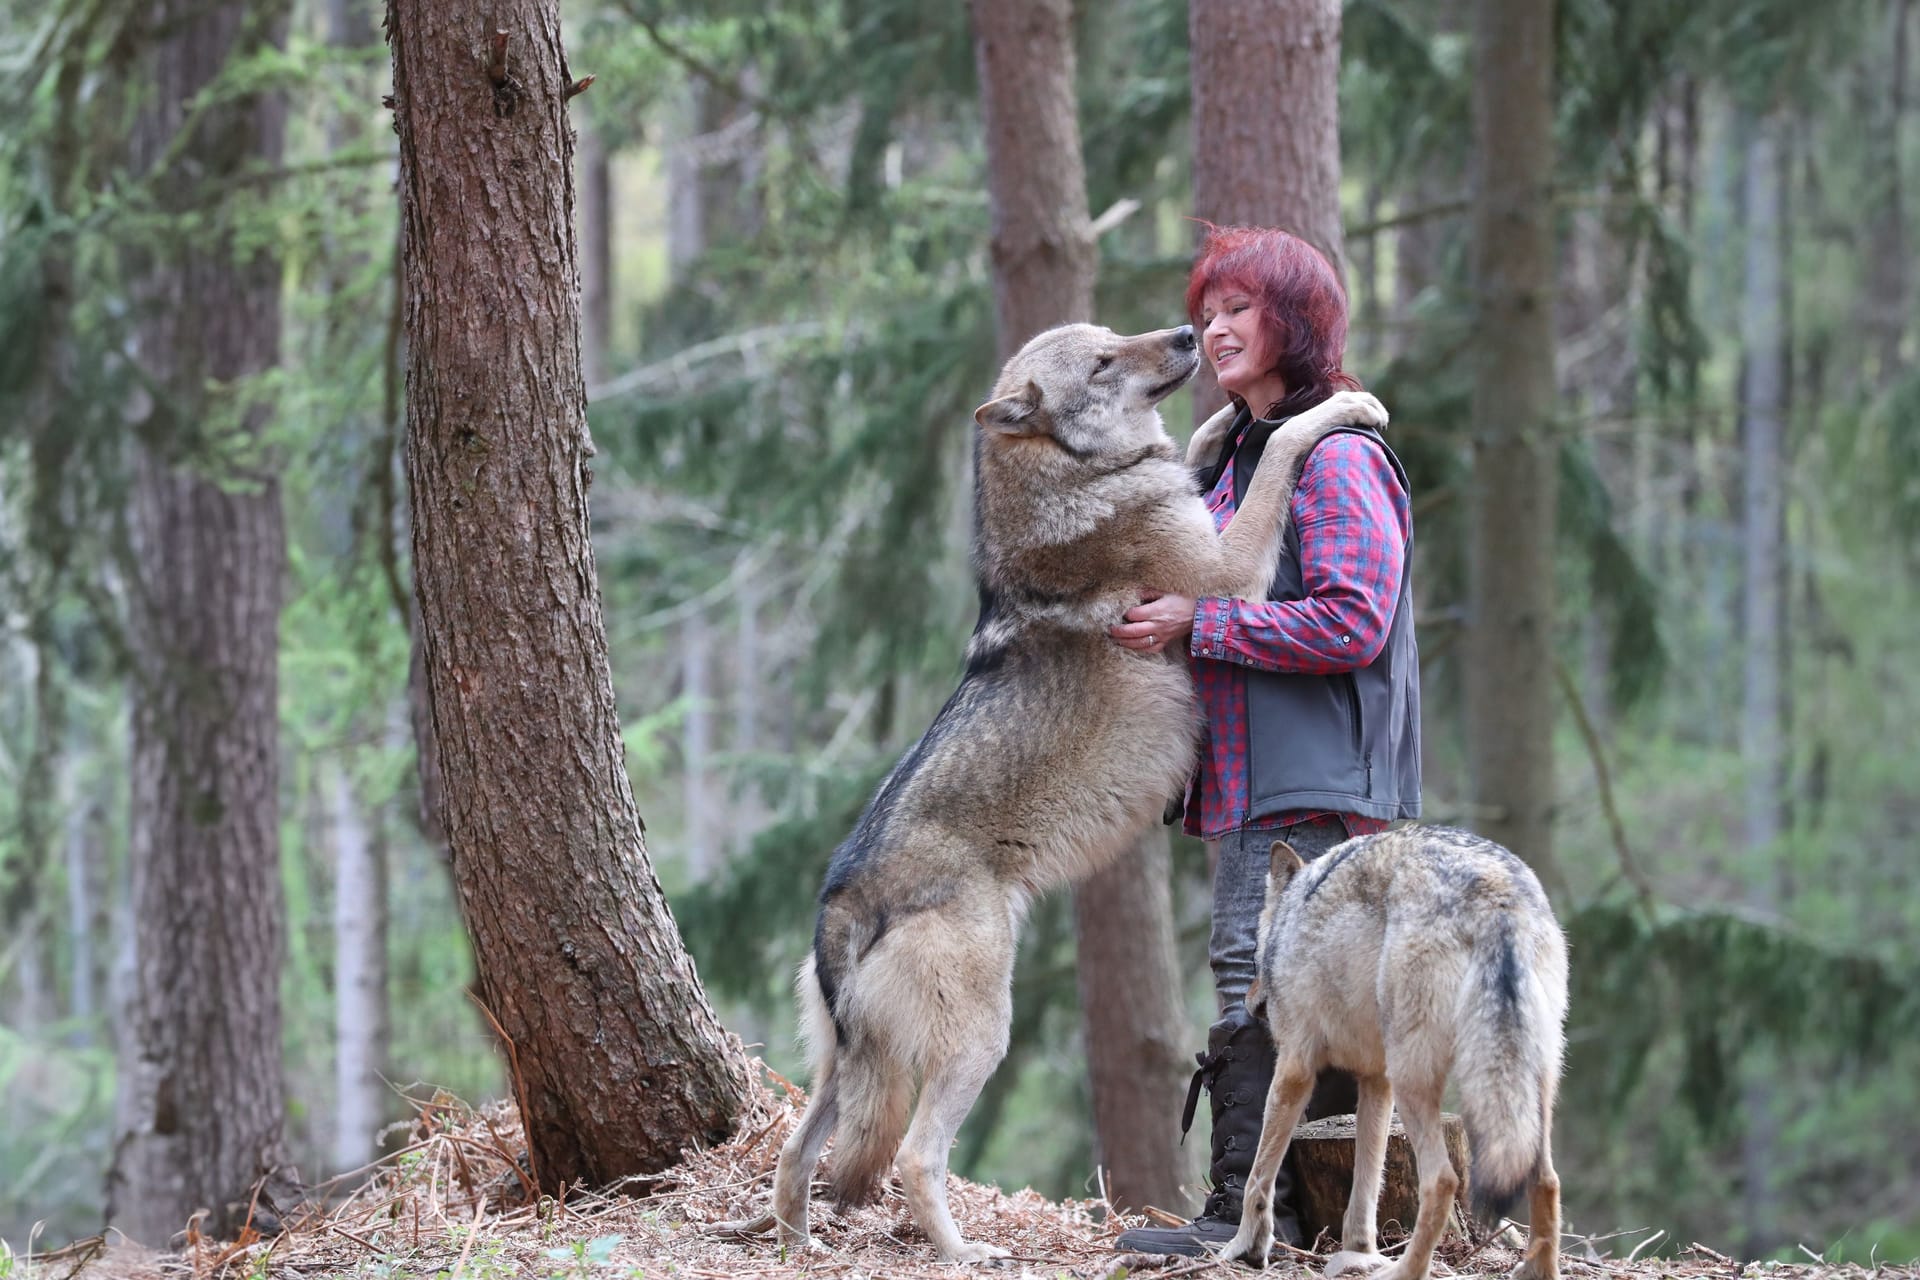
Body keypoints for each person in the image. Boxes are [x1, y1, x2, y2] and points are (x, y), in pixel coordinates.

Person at [1109, 225, 1422, 1257]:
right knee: (1265, 972)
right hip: (1253, 773)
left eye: (1239, 305)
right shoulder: (1237, 453)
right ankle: (1292, 1216)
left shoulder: (1336, 457)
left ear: (1294, 319)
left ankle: (1245, 1215)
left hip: (1319, 778)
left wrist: (1201, 623)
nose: (1215, 324)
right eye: (1210, 307)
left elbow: (1352, 619)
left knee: (1265, 971)